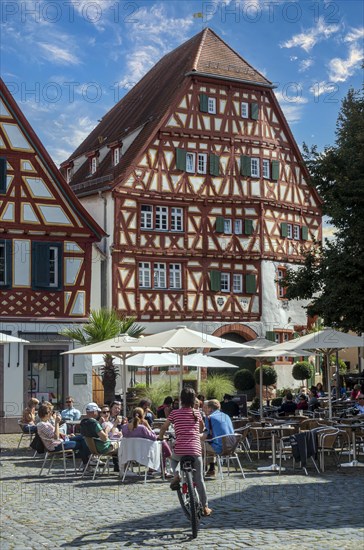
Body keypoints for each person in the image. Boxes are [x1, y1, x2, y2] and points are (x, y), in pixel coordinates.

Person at [158, 387, 212, 517]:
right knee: (199, 480)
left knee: (173, 458)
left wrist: (160, 437)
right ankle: (205, 507)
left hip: (180, 449)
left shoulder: (174, 413)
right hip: (195, 450)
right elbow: (201, 428)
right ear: (194, 400)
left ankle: (176, 474)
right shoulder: (197, 413)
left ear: (181, 400)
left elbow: (164, 427)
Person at [122, 407, 172, 476]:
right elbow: (153, 437)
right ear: (142, 416)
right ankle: (166, 465)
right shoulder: (142, 428)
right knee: (163, 443)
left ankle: (160, 468)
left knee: (162, 443)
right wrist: (148, 425)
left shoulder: (124, 427)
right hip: (145, 452)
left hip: (131, 452)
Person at [80, 402, 119, 470]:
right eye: (97, 411)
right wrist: (107, 430)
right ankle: (122, 469)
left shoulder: (83, 423)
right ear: (94, 412)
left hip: (92, 448)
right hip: (103, 448)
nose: (98, 413)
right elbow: (104, 438)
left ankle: (118, 467)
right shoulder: (94, 423)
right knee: (122, 446)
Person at [203, 399, 235, 478]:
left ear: (210, 408)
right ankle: (211, 469)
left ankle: (201, 469)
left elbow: (207, 435)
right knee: (210, 443)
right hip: (232, 447)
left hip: (220, 448)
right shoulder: (226, 416)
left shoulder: (210, 417)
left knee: (199, 444)